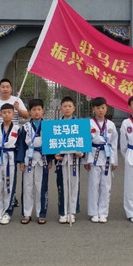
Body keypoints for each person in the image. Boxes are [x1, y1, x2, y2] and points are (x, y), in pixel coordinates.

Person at [16, 98, 52, 224]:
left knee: (41, 187)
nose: (36, 112)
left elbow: (50, 144)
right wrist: (21, 161)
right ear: (30, 112)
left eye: (39, 109)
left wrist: (50, 159)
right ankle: (27, 213)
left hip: (42, 158)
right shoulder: (25, 127)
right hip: (29, 158)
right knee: (27, 186)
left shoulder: (47, 126)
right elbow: (21, 145)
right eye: (34, 110)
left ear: (43, 111)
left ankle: (41, 213)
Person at [83, 97, 118, 223]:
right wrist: (86, 160)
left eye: (103, 108)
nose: (101, 110)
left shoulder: (111, 125)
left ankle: (103, 212)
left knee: (106, 186)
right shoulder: (89, 123)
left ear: (106, 108)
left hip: (107, 156)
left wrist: (114, 161)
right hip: (94, 156)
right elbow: (86, 142)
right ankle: (93, 212)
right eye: (98, 108)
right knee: (94, 185)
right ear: (94, 109)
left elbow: (114, 144)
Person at [0, 103, 20, 225]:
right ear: (0, 115)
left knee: (9, 186)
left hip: (11, 158)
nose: (7, 114)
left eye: (9, 112)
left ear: (13, 114)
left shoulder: (17, 129)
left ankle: (7, 212)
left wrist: (20, 161)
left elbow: (20, 146)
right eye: (4, 112)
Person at [54, 96, 83, 224]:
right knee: (62, 185)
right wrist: (54, 155)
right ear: (61, 108)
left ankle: (72, 212)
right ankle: (63, 212)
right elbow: (52, 142)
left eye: (69, 106)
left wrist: (82, 153)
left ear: (74, 108)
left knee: (74, 186)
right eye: (65, 106)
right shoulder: (56, 125)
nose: (67, 109)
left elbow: (84, 141)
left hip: (74, 160)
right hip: (62, 160)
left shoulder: (79, 124)